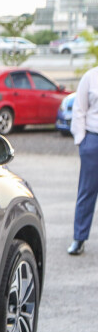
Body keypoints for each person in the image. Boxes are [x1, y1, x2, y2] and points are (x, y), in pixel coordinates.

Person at [69, 64, 98, 255]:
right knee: (86, 192)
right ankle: (79, 239)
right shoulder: (90, 77)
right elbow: (79, 109)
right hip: (93, 139)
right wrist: (81, 140)